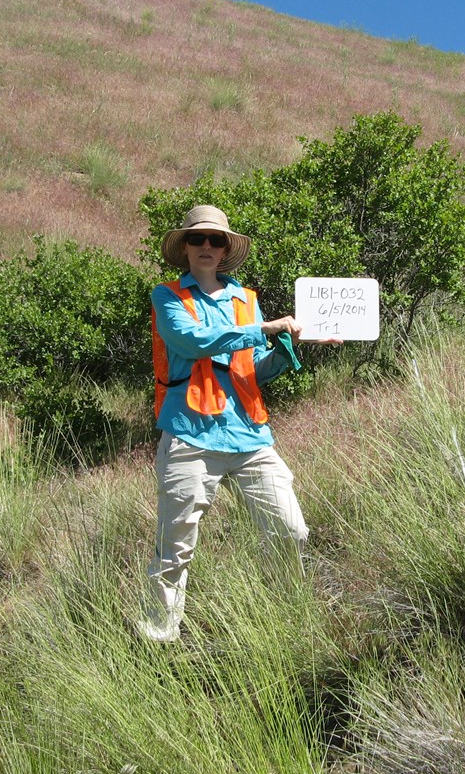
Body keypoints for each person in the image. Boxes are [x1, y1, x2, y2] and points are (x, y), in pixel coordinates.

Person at [139, 204, 334, 642]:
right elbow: (193, 342)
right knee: (174, 550)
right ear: (185, 248)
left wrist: (288, 347)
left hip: (249, 435)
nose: (207, 246)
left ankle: (285, 626)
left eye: (216, 240)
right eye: (197, 239)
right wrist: (265, 329)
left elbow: (250, 370)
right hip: (190, 435)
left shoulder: (246, 301)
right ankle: (158, 638)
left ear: (226, 248)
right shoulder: (168, 296)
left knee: (291, 532)